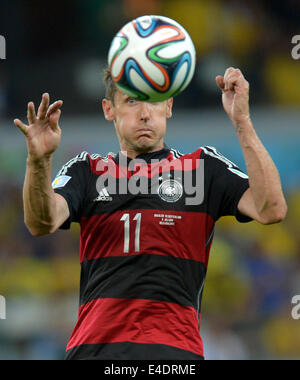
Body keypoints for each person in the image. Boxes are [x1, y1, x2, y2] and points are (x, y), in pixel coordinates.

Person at [14, 67, 287, 360]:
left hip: (174, 355)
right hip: (95, 352)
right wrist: (39, 160)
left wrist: (242, 121)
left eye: (154, 101)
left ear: (168, 106)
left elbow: (271, 208)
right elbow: (41, 222)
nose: (144, 114)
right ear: (109, 110)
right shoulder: (87, 170)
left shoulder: (204, 168)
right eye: (131, 101)